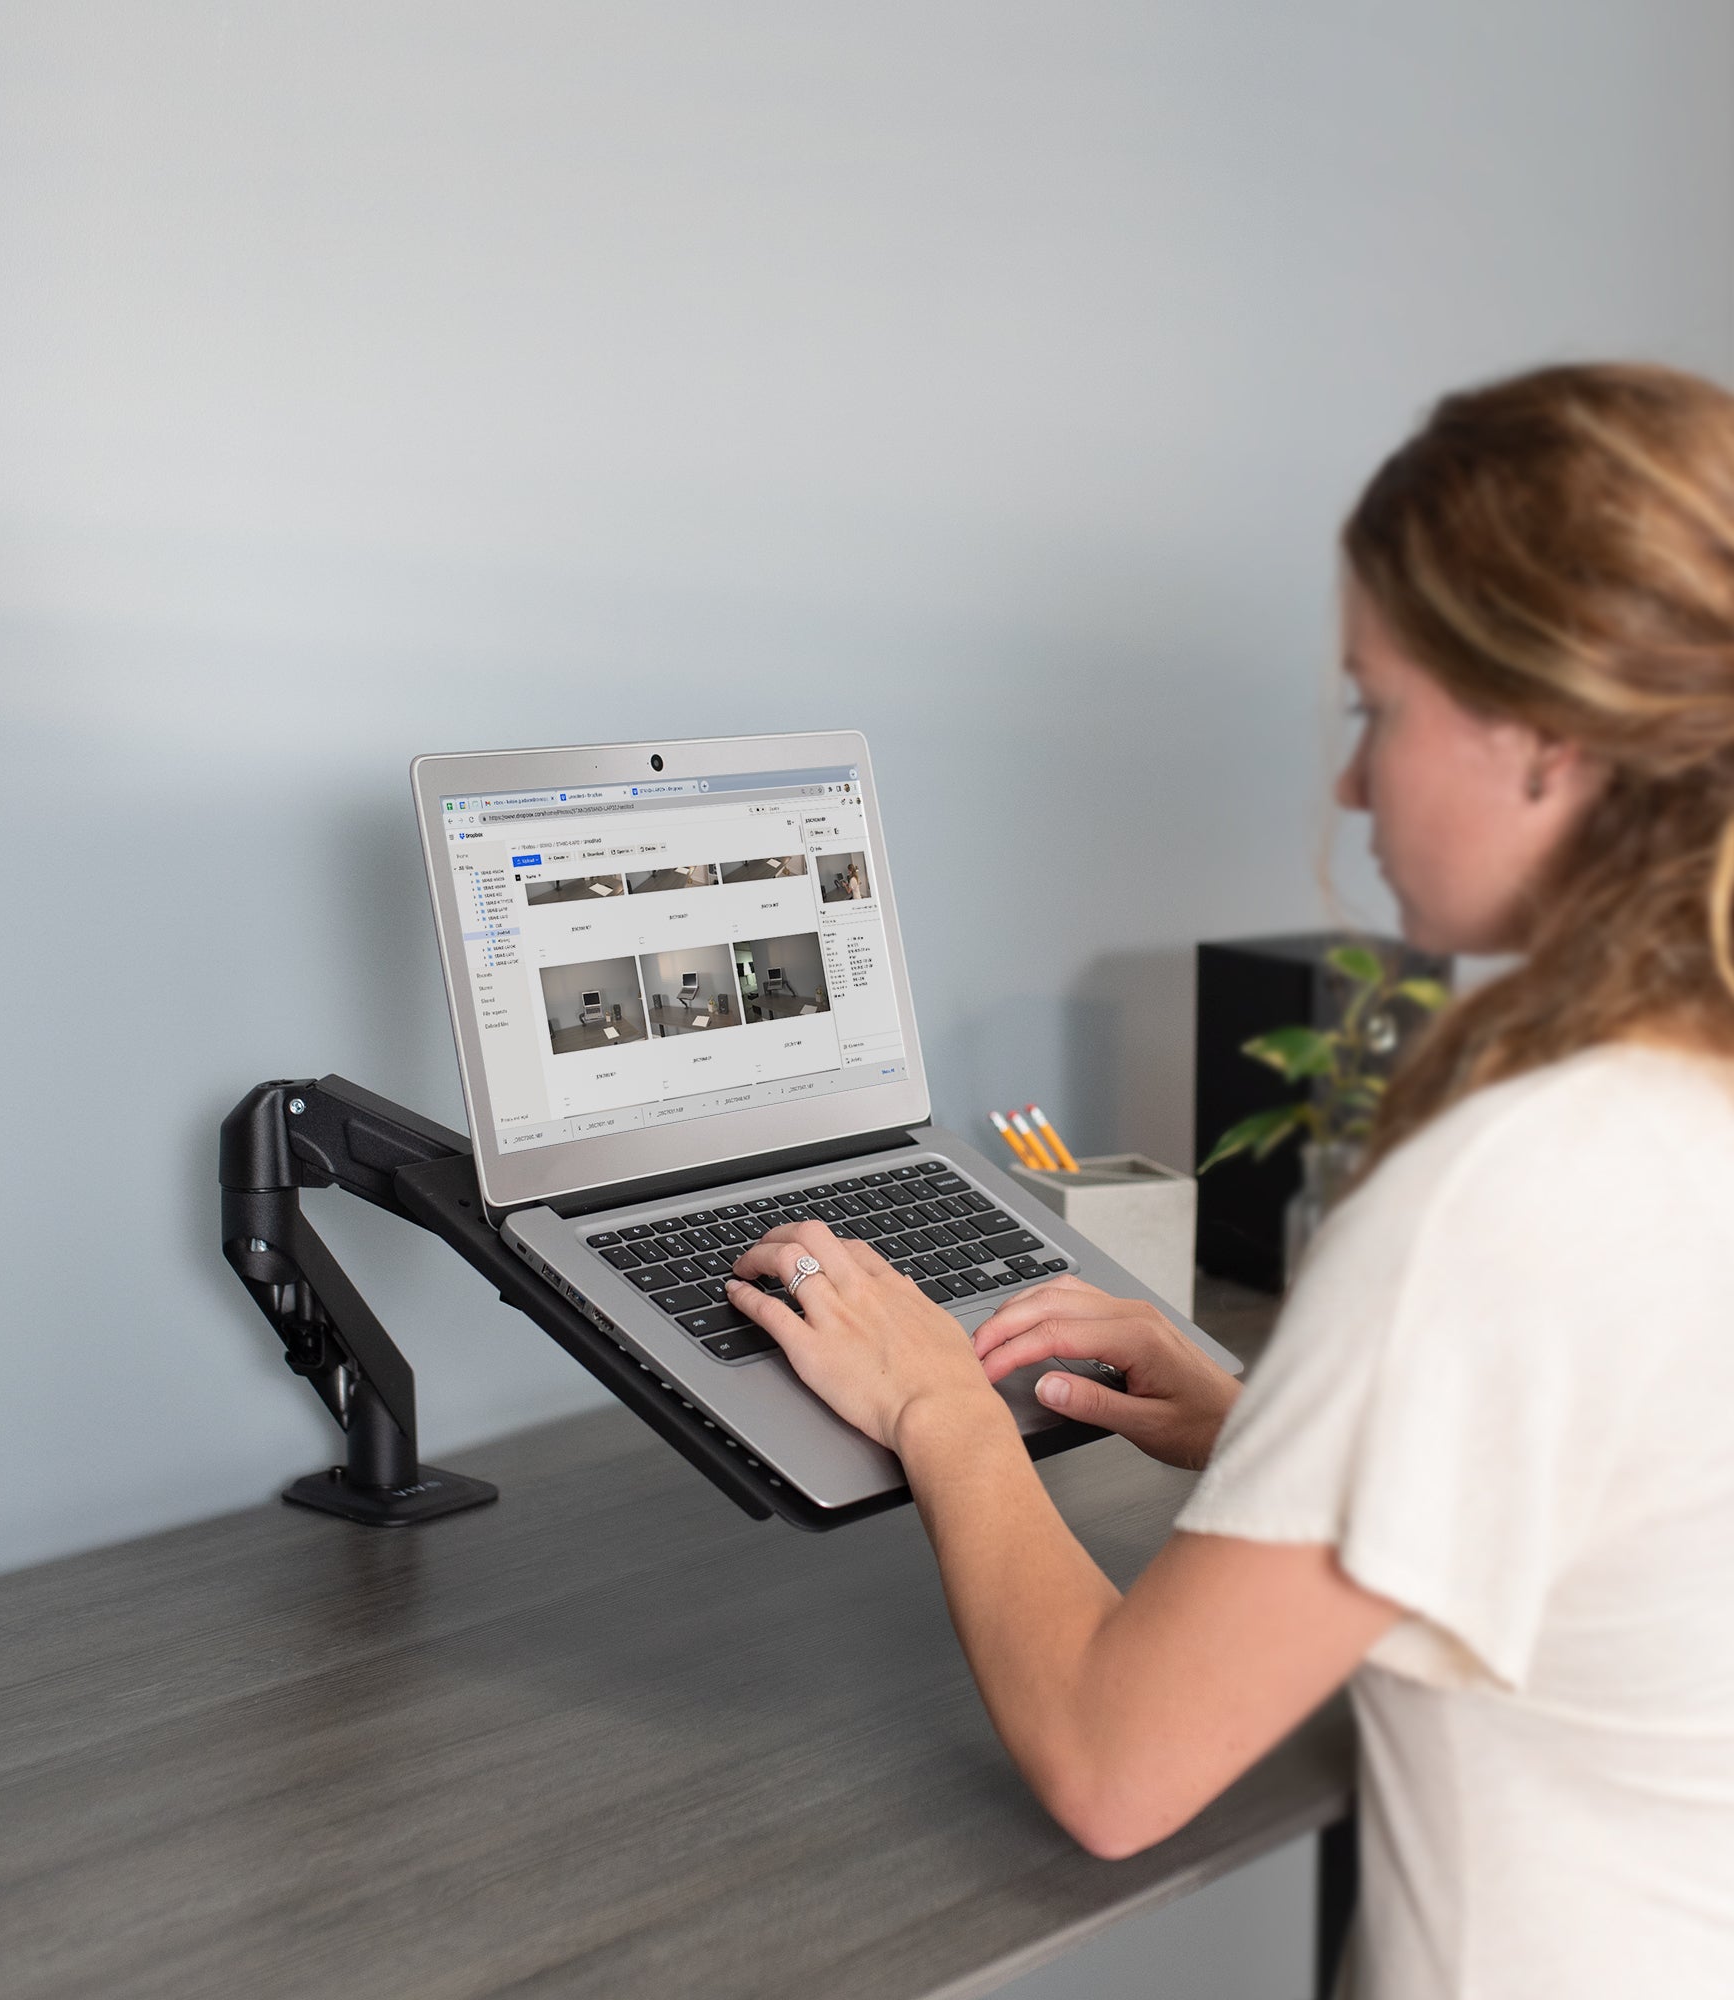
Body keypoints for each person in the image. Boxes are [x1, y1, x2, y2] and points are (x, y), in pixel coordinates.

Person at [727, 363, 1734, 1998]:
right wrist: (1271, 1428)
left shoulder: (1520, 1182)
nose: (1352, 784)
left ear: (1543, 736)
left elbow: (1115, 1764)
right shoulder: (1684, 1110)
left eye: (1376, 709)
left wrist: (940, 1411)